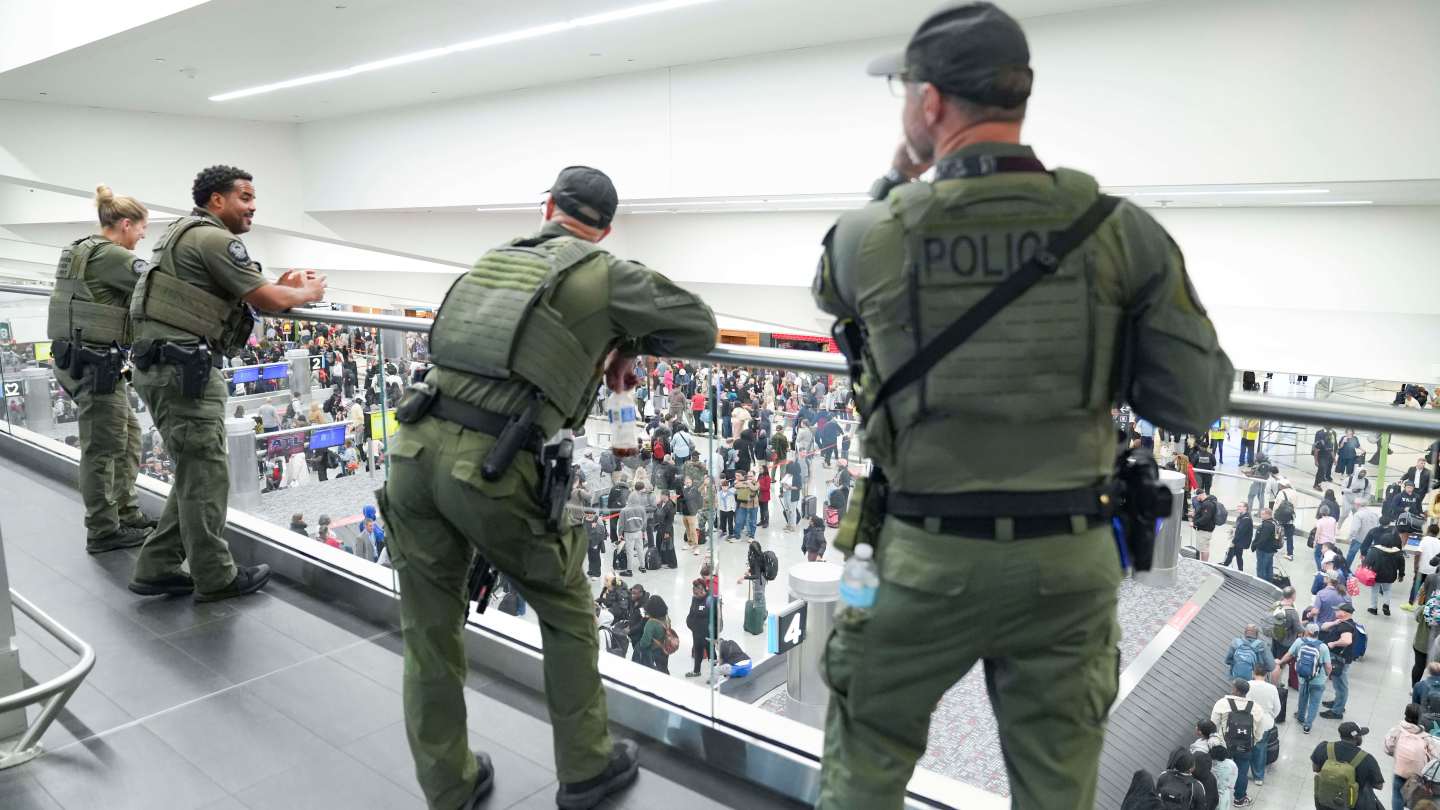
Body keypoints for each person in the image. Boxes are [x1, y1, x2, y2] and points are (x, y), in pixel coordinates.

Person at [810, 7, 1231, 808]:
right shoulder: (1118, 232)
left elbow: (829, 285)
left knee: (862, 771)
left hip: (921, 557)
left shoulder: (873, 235)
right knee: (1056, 791)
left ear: (930, 105)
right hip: (1068, 564)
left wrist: (897, 178)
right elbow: (1196, 399)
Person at [377, 166, 717, 810]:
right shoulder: (607, 272)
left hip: (412, 447)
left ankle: (448, 782)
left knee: (428, 627)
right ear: (606, 228)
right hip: (494, 467)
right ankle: (586, 764)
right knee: (565, 611)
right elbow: (699, 325)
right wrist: (627, 340)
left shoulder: (492, 261)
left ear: (547, 209)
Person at [128, 165, 325, 601]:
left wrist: (279, 287)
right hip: (184, 374)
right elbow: (267, 299)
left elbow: (250, 290)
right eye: (245, 197)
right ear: (217, 200)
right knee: (207, 477)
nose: (253, 206)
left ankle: (158, 565)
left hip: (166, 368)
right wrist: (306, 294)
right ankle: (216, 576)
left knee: (195, 474)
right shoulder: (215, 238)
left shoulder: (184, 234)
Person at [47, 185, 158, 553]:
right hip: (95, 365)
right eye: (142, 228)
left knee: (126, 436)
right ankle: (103, 529)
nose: (143, 236)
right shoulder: (112, 256)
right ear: (125, 224)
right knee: (103, 447)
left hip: (78, 359)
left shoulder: (81, 248)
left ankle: (125, 514)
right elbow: (161, 288)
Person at [1211, 679, 1272, 807]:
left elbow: (1213, 724)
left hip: (1225, 745)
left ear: (1236, 690)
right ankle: (1239, 799)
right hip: (1245, 746)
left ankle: (1219, 796)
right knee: (1242, 772)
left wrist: (1219, 739)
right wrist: (1253, 741)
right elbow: (1260, 730)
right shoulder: (1255, 707)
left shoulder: (1222, 703)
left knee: (1221, 769)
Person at [1274, 623, 1333, 734]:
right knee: (1314, 703)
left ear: (1307, 632)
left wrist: (1280, 662)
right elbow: (1328, 666)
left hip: (1303, 678)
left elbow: (1289, 655)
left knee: (1303, 698)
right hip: (1318, 681)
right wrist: (1326, 675)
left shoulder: (1299, 642)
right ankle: (1307, 725)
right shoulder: (1323, 647)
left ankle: (1301, 717)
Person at [1311, 722, 1383, 810]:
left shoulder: (1324, 747)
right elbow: (1379, 786)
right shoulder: (1367, 759)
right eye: (1361, 735)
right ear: (1356, 737)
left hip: (1324, 801)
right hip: (1350, 804)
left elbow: (1315, 768)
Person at [1385, 704, 1440, 810]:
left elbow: (1389, 747)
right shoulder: (1425, 737)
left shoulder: (1397, 730)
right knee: (1416, 798)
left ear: (1405, 714)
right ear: (1420, 718)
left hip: (1400, 770)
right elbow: (1436, 756)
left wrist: (1396, 753)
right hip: (1417, 774)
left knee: (1397, 795)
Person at [1317, 603, 1359, 721]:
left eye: (1337, 610)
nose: (1335, 612)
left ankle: (1337, 711)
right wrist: (1335, 622)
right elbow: (1323, 627)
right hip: (1339, 658)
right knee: (1337, 683)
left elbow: (1347, 641)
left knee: (1341, 685)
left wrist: (1333, 644)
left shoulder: (1346, 626)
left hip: (1340, 659)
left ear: (1344, 613)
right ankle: (1337, 702)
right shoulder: (1342, 623)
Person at [1364, 521, 1408, 616]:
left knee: (1374, 591)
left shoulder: (1375, 550)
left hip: (1376, 575)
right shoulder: (1398, 552)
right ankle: (1386, 605)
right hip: (1390, 576)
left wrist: (1364, 566)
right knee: (1387, 590)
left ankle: (1373, 608)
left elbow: (1368, 561)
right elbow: (1401, 565)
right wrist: (1401, 575)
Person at [684, 578, 716, 679]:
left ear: (703, 589)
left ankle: (714, 675)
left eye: (697, 591)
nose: (695, 594)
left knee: (712, 656)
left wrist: (714, 635)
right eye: (694, 590)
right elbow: (691, 613)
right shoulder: (695, 598)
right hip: (696, 633)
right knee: (698, 652)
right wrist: (690, 624)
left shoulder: (711, 600)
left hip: (708, 634)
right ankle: (696, 671)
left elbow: (716, 619)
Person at [638, 595, 672, 674]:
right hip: (665, 648)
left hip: (654, 652)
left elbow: (645, 643)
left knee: (655, 671)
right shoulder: (667, 618)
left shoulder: (651, 623)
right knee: (663, 667)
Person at [1252, 508, 1280, 584]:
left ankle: (1261, 584)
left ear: (1267, 515)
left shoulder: (1267, 525)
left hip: (1264, 550)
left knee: (1261, 568)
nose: (1261, 516)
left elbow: (1263, 539)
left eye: (1262, 514)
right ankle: (1269, 583)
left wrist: (1255, 546)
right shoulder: (1275, 522)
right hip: (1271, 549)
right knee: (1269, 567)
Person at [1223, 503, 1252, 571]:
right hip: (1239, 541)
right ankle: (1240, 570)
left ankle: (1224, 568)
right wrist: (1232, 529)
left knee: (1231, 556)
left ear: (1245, 508)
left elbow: (1240, 532)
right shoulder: (1241, 516)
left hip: (1239, 542)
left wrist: (1233, 542)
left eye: (1240, 506)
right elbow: (1237, 527)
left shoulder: (1246, 519)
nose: (1238, 507)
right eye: (1238, 506)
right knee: (1237, 556)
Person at [1209, 745, 1237, 810]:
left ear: (1215, 758)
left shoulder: (1214, 769)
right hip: (1226, 791)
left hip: (1217, 793)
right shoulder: (1231, 764)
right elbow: (1233, 779)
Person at [1195, 491, 1219, 562]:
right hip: (1206, 530)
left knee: (1204, 549)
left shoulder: (1207, 504)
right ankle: (1204, 563)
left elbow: (1205, 518)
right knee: (1205, 548)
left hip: (1205, 530)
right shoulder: (1208, 502)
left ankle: (1204, 563)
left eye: (1196, 496)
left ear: (1200, 495)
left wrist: (1194, 523)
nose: (1196, 498)